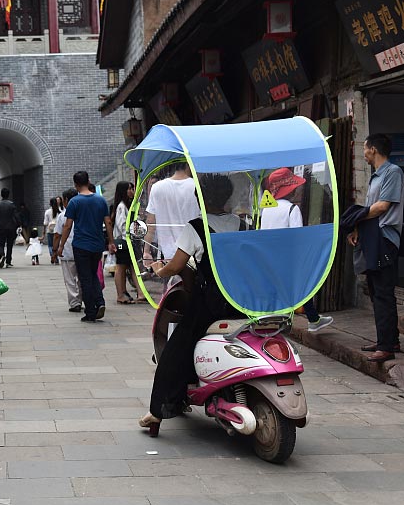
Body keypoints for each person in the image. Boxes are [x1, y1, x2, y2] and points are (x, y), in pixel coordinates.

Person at [139, 173, 243, 433]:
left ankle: (158, 412)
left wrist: (158, 270)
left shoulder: (196, 227)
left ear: (200, 198)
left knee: (174, 353)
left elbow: (176, 265)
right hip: (240, 300)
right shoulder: (241, 225)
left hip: (210, 305)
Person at [347, 134, 404, 362]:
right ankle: (390, 340)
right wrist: (357, 231)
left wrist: (355, 216)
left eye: (364, 147)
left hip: (385, 239)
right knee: (375, 291)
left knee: (383, 293)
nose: (363, 152)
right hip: (372, 238)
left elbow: (381, 208)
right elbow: (371, 209)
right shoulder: (375, 177)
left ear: (373, 149)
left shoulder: (392, 172)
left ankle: (386, 347)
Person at [260, 167, 333, 333]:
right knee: (303, 288)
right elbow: (298, 239)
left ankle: (271, 322)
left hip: (269, 259)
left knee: (276, 292)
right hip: (287, 260)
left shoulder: (267, 209)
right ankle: (313, 320)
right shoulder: (292, 209)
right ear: (290, 189)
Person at [56, 171, 112, 322]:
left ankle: (90, 312)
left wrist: (61, 246)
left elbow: (67, 226)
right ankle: (100, 302)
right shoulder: (101, 200)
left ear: (75, 184)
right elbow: (108, 222)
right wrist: (111, 242)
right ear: (89, 181)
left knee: (85, 278)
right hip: (98, 245)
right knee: (93, 274)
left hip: (81, 246)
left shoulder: (74, 202)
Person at [142, 162, 199, 267]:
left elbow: (151, 223)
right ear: (189, 164)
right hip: (195, 254)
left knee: (171, 283)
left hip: (167, 257)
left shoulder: (157, 188)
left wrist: (146, 251)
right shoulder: (198, 186)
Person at [111, 181, 143, 304]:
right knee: (121, 267)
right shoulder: (121, 206)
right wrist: (130, 236)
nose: (131, 191)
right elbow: (122, 225)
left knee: (131, 266)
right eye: (129, 189)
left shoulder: (129, 205)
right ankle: (121, 294)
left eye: (132, 188)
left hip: (129, 240)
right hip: (124, 241)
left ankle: (136, 293)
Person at [54, 188, 82, 312]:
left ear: (65, 200)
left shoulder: (62, 216)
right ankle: (83, 298)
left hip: (67, 249)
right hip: (82, 248)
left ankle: (75, 302)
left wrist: (55, 249)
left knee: (70, 278)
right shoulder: (82, 212)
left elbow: (57, 234)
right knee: (82, 277)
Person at [0, 188, 20, 268]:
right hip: (11, 227)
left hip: (1, 227)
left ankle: (2, 254)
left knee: (1, 244)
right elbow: (16, 216)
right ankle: (8, 261)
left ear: (1, 194)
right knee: (10, 244)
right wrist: (19, 224)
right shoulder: (12, 204)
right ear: (8, 194)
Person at [43, 197, 61, 265]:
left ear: (50, 204)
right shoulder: (60, 211)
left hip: (50, 230)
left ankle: (52, 256)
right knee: (57, 244)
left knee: (50, 245)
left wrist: (44, 232)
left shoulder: (47, 212)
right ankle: (56, 256)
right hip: (58, 230)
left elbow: (45, 223)